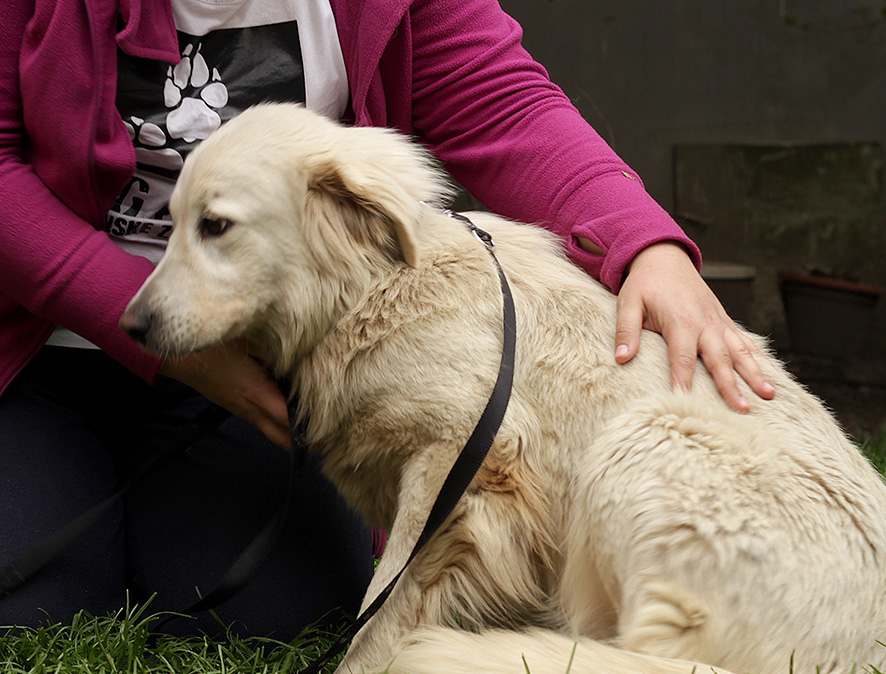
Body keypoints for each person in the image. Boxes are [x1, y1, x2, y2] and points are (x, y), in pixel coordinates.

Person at [0, 0, 774, 639]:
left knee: (277, 625)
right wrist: (145, 332)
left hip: (254, 371)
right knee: (34, 617)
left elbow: (503, 102)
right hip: (34, 352)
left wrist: (645, 244)